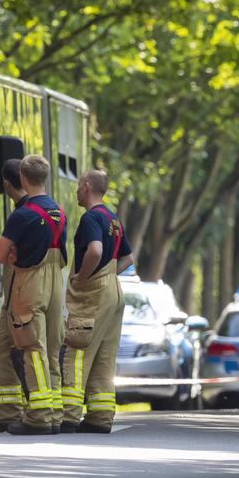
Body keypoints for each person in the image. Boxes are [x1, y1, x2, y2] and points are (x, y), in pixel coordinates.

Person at [0, 155, 67, 435]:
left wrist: (10, 253)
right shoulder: (59, 211)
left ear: (22, 178)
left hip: (30, 284)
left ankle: (38, 416)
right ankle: (55, 413)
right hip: (55, 283)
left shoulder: (22, 215)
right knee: (50, 348)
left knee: (32, 349)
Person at [62, 170, 133, 434]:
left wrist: (83, 277)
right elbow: (128, 258)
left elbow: (95, 250)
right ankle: (101, 417)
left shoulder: (91, 217)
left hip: (93, 295)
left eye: (79, 185)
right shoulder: (113, 219)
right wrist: (107, 275)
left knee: (78, 350)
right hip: (114, 294)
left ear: (88, 186)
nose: (77, 190)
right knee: (104, 357)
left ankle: (69, 414)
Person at [0, 159, 28, 433]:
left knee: (5, 347)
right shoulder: (49, 210)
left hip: (19, 290)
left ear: (6, 183)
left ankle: (10, 411)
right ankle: (18, 409)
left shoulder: (20, 215)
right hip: (27, 289)